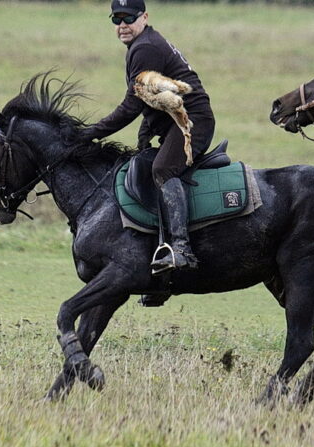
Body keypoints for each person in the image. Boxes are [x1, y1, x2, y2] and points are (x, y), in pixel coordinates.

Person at [88, 0, 215, 274]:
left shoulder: (145, 47)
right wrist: (143, 141)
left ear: (144, 17)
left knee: (163, 169)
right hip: (175, 122)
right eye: (116, 20)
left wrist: (92, 132)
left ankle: (181, 248)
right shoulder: (141, 44)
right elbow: (148, 101)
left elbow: (132, 106)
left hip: (191, 123)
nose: (122, 25)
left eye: (128, 18)